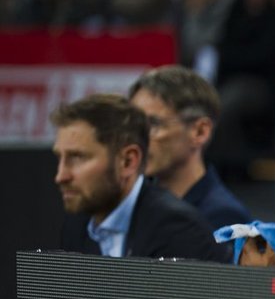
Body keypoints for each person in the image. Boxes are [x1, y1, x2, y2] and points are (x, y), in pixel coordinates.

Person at [51, 94, 222, 262]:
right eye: (59, 158)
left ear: (128, 161)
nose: (61, 176)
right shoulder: (78, 224)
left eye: (78, 158)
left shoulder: (178, 230)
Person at [126, 66, 250, 230]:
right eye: (134, 124)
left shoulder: (224, 218)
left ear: (200, 132)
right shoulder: (133, 206)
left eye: (154, 124)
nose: (137, 138)